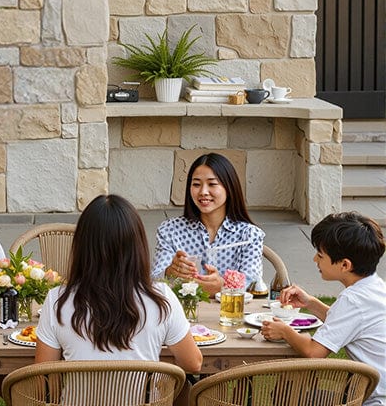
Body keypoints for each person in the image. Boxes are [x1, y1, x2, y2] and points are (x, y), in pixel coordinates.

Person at [36, 194, 202, 375]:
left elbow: (42, 374)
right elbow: (193, 364)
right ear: (138, 247)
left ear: (81, 246)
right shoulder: (162, 298)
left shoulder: (57, 300)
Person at [261, 212, 385, 406]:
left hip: (373, 399)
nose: (314, 260)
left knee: (286, 392)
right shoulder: (374, 287)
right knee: (287, 389)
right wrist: (310, 302)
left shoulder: (353, 300)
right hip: (373, 389)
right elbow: (347, 322)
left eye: (320, 255)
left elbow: (313, 352)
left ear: (345, 265)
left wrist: (285, 331)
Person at [152, 153, 265, 296]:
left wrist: (223, 286)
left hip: (232, 316)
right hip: (184, 314)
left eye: (212, 184)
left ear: (229, 187)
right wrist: (170, 272)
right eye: (196, 184)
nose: (203, 192)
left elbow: (253, 284)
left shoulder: (249, 235)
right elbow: (153, 281)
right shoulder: (170, 230)